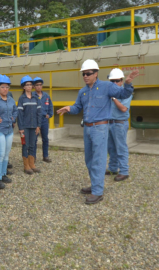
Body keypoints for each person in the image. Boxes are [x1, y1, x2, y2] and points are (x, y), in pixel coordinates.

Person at [57, 59, 139, 205]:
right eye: (83, 74)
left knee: (99, 159)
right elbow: (77, 107)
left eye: (88, 73)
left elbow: (124, 94)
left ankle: (98, 192)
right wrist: (70, 108)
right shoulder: (82, 92)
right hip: (87, 128)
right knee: (89, 159)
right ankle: (95, 185)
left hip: (100, 128)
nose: (85, 76)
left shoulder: (107, 86)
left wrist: (128, 83)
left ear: (96, 74)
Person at [106, 68, 133, 182]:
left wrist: (114, 98)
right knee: (111, 147)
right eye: (112, 81)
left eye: (117, 81)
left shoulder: (126, 93)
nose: (115, 83)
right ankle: (112, 168)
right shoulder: (108, 92)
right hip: (110, 122)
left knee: (121, 147)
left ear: (121, 81)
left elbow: (123, 108)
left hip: (120, 123)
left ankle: (124, 171)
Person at [17, 75, 41, 174]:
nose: (29, 86)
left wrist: (38, 126)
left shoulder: (36, 98)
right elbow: (20, 114)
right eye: (27, 85)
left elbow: (39, 113)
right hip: (25, 127)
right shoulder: (22, 99)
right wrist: (21, 128)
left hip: (34, 126)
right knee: (25, 145)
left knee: (32, 145)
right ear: (23, 87)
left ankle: (32, 164)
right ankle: (26, 166)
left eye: (31, 84)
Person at [32, 77, 53, 163]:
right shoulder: (32, 96)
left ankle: (45, 156)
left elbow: (51, 106)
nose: (39, 87)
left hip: (44, 120)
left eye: (40, 85)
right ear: (34, 86)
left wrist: (50, 115)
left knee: (45, 139)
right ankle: (33, 157)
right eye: (37, 85)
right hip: (35, 120)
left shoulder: (46, 96)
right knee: (34, 139)